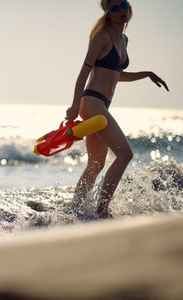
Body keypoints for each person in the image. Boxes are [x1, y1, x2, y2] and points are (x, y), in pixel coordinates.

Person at [66, 0, 169, 218]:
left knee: (96, 164)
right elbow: (84, 73)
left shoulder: (123, 39)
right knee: (125, 154)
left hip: (102, 104)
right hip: (92, 102)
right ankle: (102, 209)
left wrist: (147, 74)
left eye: (123, 4)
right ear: (108, 13)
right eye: (114, 8)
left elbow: (116, 75)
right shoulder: (101, 36)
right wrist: (75, 105)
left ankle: (73, 212)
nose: (120, 10)